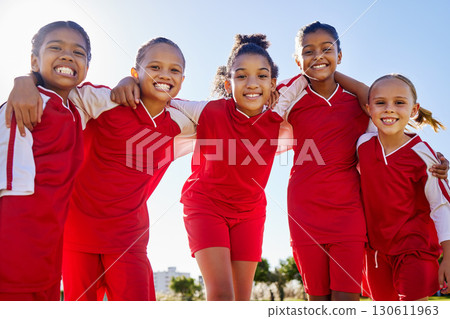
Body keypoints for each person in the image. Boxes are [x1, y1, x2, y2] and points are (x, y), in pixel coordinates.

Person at [5, 37, 195, 301]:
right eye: (154, 67)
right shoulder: (103, 100)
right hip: (76, 235)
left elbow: (228, 113)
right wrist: (24, 80)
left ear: (183, 79)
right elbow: (59, 85)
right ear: (135, 72)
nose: (164, 75)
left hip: (129, 239)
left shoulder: (181, 120)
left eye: (174, 70)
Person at [275, 21, 449, 301]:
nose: (318, 56)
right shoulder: (292, 99)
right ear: (298, 60)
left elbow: (392, 131)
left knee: (347, 302)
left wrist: (432, 156)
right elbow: (258, 118)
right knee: (318, 301)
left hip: (349, 214)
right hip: (304, 209)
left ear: (340, 57)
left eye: (327, 49)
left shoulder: (359, 103)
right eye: (308, 52)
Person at [0, 20, 95, 301]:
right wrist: (24, 81)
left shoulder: (77, 110)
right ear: (34, 60)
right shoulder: (24, 105)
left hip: (49, 256)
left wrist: (129, 80)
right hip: (13, 252)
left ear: (87, 67)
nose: (67, 56)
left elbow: (118, 96)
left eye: (78, 52)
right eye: (56, 48)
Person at [357, 74, 450, 301]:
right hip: (376, 251)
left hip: (415, 249)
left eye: (399, 102)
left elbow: (441, 205)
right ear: (369, 108)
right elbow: (362, 90)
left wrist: (448, 256)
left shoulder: (423, 154)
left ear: (414, 109)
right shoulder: (363, 144)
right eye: (381, 103)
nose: (389, 109)